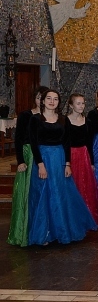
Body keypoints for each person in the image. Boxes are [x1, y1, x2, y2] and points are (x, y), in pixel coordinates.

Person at [28, 89, 97, 245]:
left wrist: (67, 164)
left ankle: (61, 230)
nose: (52, 101)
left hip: (59, 159)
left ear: (59, 102)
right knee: (44, 196)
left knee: (60, 195)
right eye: (49, 98)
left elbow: (66, 142)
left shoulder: (63, 119)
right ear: (43, 101)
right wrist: (40, 165)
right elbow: (33, 143)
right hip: (43, 158)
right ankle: (45, 233)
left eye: (56, 99)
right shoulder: (35, 119)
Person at [7, 86, 47, 247]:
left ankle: (42, 230)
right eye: (38, 98)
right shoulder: (26, 115)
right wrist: (21, 160)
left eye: (43, 98)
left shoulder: (49, 116)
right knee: (28, 193)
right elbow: (18, 139)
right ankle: (25, 230)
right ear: (35, 99)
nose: (41, 101)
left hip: (45, 154)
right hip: (28, 154)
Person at [66, 93, 98, 225]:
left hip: (83, 155)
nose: (81, 106)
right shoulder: (65, 120)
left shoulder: (87, 121)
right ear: (71, 105)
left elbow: (89, 143)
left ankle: (85, 217)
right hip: (70, 155)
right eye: (78, 103)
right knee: (72, 185)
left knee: (84, 186)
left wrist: (92, 162)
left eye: (83, 103)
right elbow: (64, 143)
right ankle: (72, 217)